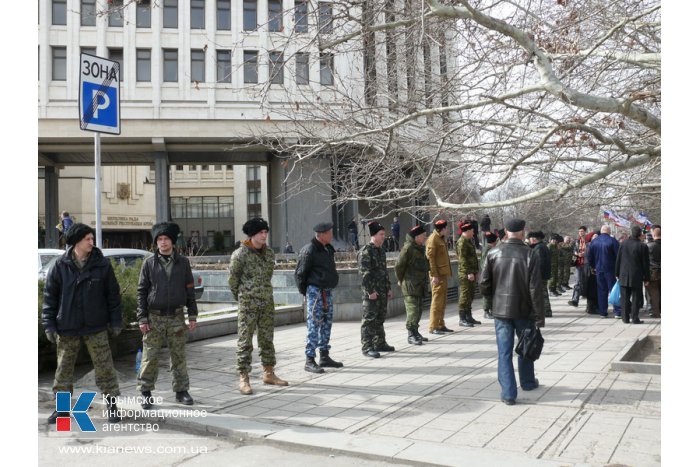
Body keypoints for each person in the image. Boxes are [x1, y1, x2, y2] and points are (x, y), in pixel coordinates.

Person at [42, 223, 123, 424]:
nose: (91, 242)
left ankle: (112, 406)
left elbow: (113, 296)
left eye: (91, 238)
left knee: (105, 367)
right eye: (87, 238)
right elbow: (50, 298)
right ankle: (62, 410)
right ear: (76, 242)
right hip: (67, 327)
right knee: (64, 371)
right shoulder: (60, 265)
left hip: (96, 327)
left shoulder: (101, 265)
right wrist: (49, 325)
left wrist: (115, 321)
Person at [480, 218, 544, 406]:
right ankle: (528, 382)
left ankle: (508, 393)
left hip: (501, 311)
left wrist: (494, 297)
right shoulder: (530, 254)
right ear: (523, 232)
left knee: (504, 351)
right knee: (525, 346)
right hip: (524, 310)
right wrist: (539, 317)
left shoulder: (493, 252)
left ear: (506, 232)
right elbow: (535, 289)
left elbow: (483, 283)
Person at [136, 222, 198, 408]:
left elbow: (189, 289)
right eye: (159, 239)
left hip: (177, 317)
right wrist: (142, 317)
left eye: (166, 239)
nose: (163, 243)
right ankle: (145, 392)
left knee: (178, 355)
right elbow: (141, 291)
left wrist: (192, 314)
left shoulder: (183, 262)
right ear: (156, 243)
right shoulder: (149, 263)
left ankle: (181, 391)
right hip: (154, 317)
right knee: (150, 356)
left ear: (172, 241)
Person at [229, 218, 288, 394]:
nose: (264, 235)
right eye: (261, 232)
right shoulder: (240, 254)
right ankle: (244, 377)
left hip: (266, 302)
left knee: (267, 339)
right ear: (252, 234)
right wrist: (243, 297)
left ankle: (268, 373)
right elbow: (233, 281)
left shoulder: (269, 253)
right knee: (245, 341)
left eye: (265, 232)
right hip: (248, 304)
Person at [295, 222, 342, 373]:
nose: (332, 235)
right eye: (329, 232)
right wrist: (306, 293)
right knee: (314, 324)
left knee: (327, 323)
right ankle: (309, 360)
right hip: (315, 292)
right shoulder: (309, 250)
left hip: (326, 291)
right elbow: (300, 274)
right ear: (321, 235)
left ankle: (324, 356)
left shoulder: (327, 248)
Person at [358, 221, 394, 358]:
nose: (384, 237)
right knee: (369, 320)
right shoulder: (366, 252)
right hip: (372, 293)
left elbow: (384, 272)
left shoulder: (381, 251)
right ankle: (367, 347)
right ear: (374, 235)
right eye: (381, 234)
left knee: (380, 318)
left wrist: (388, 288)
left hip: (382, 291)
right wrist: (370, 291)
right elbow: (364, 274)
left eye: (384, 234)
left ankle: (379, 342)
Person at [395, 225, 430, 345]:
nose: (425, 237)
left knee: (419, 309)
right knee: (413, 311)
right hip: (410, 285)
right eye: (423, 236)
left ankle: (415, 331)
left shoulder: (420, 248)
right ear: (416, 237)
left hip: (420, 285)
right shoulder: (408, 248)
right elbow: (399, 266)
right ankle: (411, 334)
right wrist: (400, 279)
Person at [615, 225, 650, 324]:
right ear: (640, 234)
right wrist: (647, 278)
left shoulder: (623, 244)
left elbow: (618, 259)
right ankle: (635, 318)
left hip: (624, 274)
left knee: (624, 297)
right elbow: (645, 264)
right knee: (636, 298)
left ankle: (625, 318)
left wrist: (616, 273)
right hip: (636, 275)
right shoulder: (643, 246)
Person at [426, 219, 453, 335]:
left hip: (443, 274)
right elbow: (430, 259)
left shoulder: (441, 238)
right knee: (437, 302)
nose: (447, 230)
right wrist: (434, 275)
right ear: (442, 229)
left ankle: (441, 324)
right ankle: (433, 326)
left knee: (442, 301)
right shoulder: (433, 239)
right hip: (437, 276)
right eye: (446, 228)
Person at [587, 225, 622, 318]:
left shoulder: (594, 242)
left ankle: (603, 311)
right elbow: (618, 256)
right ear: (609, 231)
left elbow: (589, 256)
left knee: (601, 290)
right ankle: (618, 311)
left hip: (599, 269)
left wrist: (593, 266)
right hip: (611, 269)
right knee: (614, 290)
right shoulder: (613, 241)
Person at [456, 221, 481, 327]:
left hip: (472, 272)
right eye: (472, 230)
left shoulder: (469, 241)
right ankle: (462, 318)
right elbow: (463, 260)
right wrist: (469, 272)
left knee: (470, 295)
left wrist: (476, 271)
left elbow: (472, 258)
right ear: (467, 231)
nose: (474, 232)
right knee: (465, 295)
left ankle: (468, 316)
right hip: (465, 273)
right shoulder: (462, 242)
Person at [527, 231, 552, 318]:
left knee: (541, 292)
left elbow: (539, 263)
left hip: (540, 274)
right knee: (543, 292)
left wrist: (535, 274)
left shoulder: (538, 248)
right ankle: (546, 310)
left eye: (530, 239)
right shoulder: (542, 246)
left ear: (534, 239)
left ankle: (546, 311)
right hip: (544, 273)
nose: (529, 240)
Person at [480, 232, 499, 319]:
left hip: (490, 273)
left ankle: (490, 309)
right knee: (487, 293)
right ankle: (486, 311)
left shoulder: (488, 249)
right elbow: (484, 263)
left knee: (490, 293)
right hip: (487, 274)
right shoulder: (488, 249)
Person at [568, 226, 588, 308]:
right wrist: (577, 253)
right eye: (579, 231)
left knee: (587, 282)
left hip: (587, 264)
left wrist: (585, 253)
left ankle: (589, 301)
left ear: (585, 232)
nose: (580, 233)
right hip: (578, 264)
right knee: (578, 282)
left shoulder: (588, 241)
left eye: (582, 231)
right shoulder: (577, 241)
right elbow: (574, 251)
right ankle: (575, 300)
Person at [646, 225, 661, 318]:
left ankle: (656, 312)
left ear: (653, 234)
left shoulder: (649, 246)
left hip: (653, 273)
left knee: (654, 294)